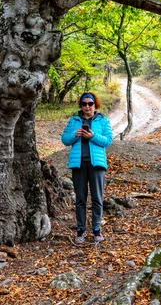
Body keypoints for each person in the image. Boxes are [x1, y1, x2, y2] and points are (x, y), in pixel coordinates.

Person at [61, 92, 113, 244]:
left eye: (90, 103)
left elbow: (108, 140)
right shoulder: (74, 120)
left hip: (96, 164)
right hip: (78, 164)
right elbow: (65, 139)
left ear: (95, 104)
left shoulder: (103, 120)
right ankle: (81, 229)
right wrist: (75, 135)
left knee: (97, 198)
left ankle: (96, 229)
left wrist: (93, 136)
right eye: (84, 104)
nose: (87, 106)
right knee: (80, 199)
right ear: (81, 106)